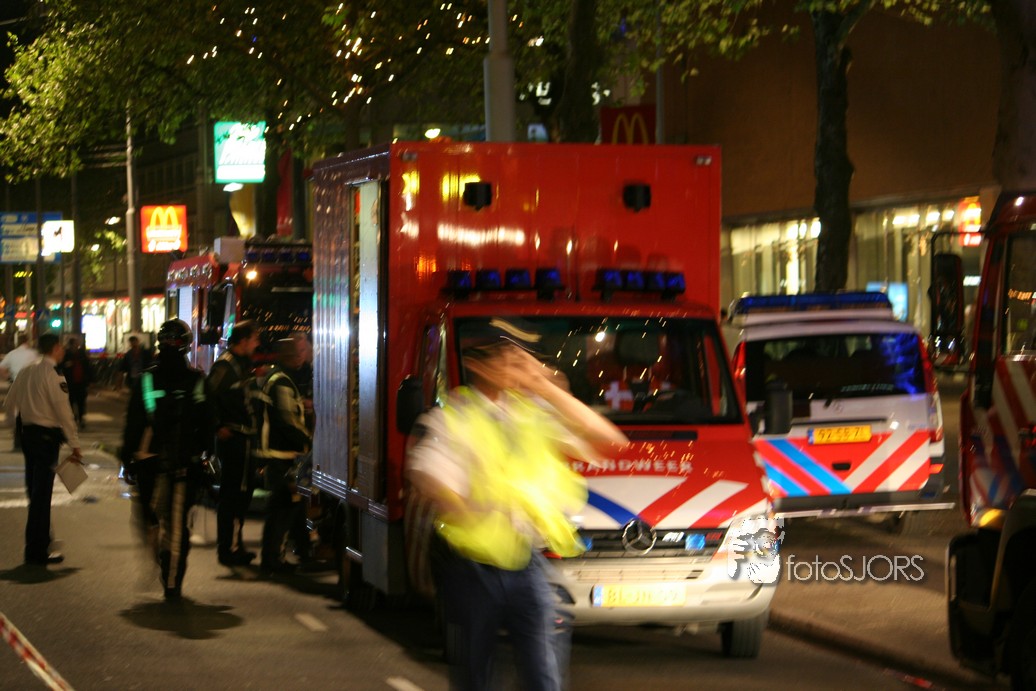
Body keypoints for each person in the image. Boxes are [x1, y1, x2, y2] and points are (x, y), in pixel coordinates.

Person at [406, 318, 628, 690]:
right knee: (475, 677)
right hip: (471, 570)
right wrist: (471, 506)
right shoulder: (452, 418)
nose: (515, 364)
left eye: (520, 356)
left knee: (543, 676)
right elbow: (425, 473)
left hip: (528, 564)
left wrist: (545, 386)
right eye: (504, 356)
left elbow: (610, 440)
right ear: (476, 364)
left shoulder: (533, 414)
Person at [123, 319, 211, 601]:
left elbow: (133, 423)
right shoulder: (196, 380)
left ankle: (160, 552)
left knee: (151, 517)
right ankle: (172, 581)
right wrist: (207, 454)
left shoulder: (146, 380)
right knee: (179, 524)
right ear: (187, 345)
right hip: (185, 462)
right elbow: (206, 423)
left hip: (150, 461)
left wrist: (127, 459)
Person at [3, 333, 82, 566]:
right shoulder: (53, 374)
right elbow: (64, 413)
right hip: (47, 439)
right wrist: (75, 444)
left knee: (34, 491)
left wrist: (14, 428)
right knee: (42, 494)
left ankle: (39, 543)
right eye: (61, 347)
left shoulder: (26, 371)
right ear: (56, 348)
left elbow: (9, 403)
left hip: (28, 437)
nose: (63, 351)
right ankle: (36, 549)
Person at [253, 338, 312, 574]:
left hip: (278, 455)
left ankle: (302, 550)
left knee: (291, 508)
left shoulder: (277, 378)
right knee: (282, 510)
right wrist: (309, 441)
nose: (302, 356)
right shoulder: (282, 383)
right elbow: (288, 422)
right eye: (298, 353)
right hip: (281, 456)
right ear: (290, 357)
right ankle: (273, 560)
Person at [206, 320, 261, 567]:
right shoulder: (225, 365)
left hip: (245, 440)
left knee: (243, 494)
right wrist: (218, 426)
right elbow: (208, 396)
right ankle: (228, 549)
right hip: (235, 441)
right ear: (243, 341)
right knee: (233, 495)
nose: (257, 344)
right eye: (254, 339)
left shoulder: (242, 364)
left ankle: (235, 545)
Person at [0, 334, 39, 452]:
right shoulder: (33, 354)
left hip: (15, 384)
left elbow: (2, 368)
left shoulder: (12, 354)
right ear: (28, 341)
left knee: (17, 413)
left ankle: (17, 441)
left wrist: (8, 377)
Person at [60, 337, 93, 430]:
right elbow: (60, 366)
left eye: (77, 344)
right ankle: (72, 418)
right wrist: (67, 365)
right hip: (70, 382)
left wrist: (90, 380)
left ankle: (81, 418)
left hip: (81, 382)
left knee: (81, 401)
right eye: (75, 344)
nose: (76, 345)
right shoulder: (66, 354)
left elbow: (88, 367)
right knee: (70, 401)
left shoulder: (82, 354)